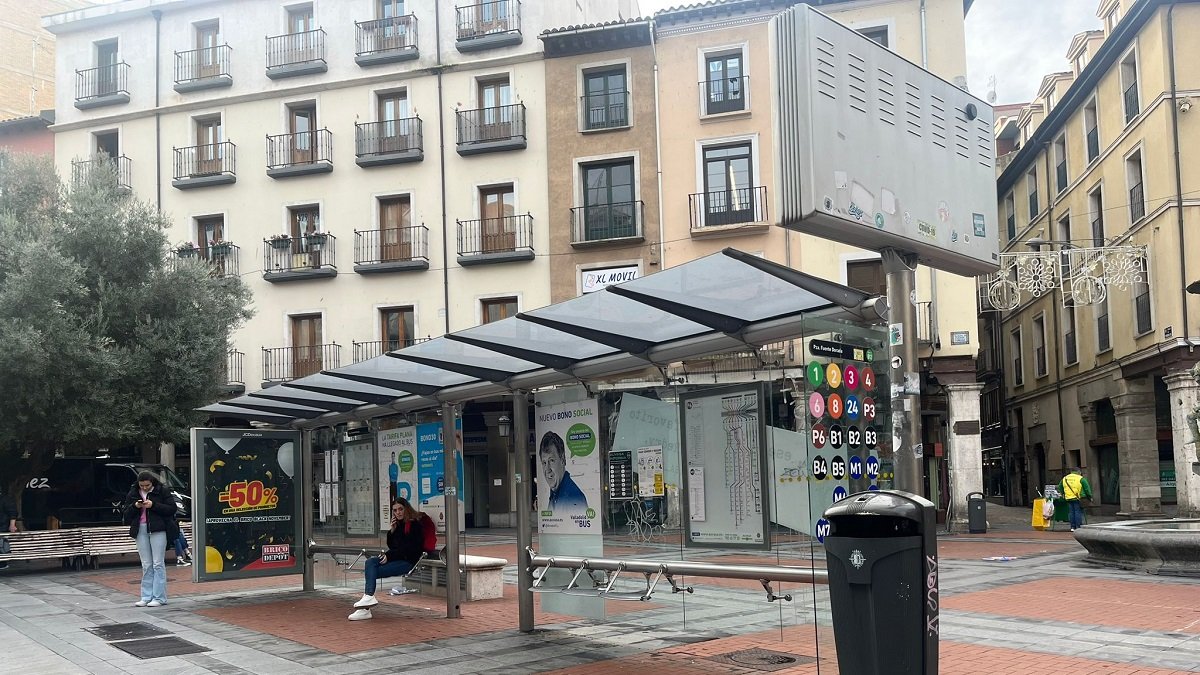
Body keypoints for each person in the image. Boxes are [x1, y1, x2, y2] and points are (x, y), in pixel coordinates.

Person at [349, 497, 436, 620]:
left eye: (400, 509)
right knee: (370, 562)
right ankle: (367, 600)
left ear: (406, 509)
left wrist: (389, 556)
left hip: (408, 562)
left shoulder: (415, 525)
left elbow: (409, 549)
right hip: (397, 558)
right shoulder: (399, 525)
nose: (398, 512)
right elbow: (393, 546)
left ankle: (365, 608)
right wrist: (392, 530)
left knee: (372, 572)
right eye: (395, 510)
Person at [123, 471, 177, 607]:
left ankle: (159, 597)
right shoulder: (133, 492)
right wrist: (135, 506)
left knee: (158, 563)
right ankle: (146, 596)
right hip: (140, 528)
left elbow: (172, 509)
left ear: (152, 482)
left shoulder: (162, 491)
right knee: (146, 564)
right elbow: (126, 515)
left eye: (147, 485)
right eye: (142, 485)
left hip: (158, 528)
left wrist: (153, 505)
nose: (145, 488)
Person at [539, 431, 587, 512]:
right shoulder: (555, 492)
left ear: (563, 460)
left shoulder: (573, 498)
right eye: (544, 463)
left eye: (551, 460)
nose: (547, 469)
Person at [1057, 467, 1092, 532]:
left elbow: (1059, 487)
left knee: (1071, 512)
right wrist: (1090, 496)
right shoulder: (1081, 478)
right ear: (1079, 472)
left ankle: (1072, 526)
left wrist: (1063, 494)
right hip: (1078, 498)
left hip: (1068, 498)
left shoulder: (1065, 478)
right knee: (1077, 512)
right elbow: (1087, 489)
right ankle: (1078, 526)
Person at [0, 487, 17, 570]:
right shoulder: (6, 500)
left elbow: (13, 513)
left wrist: (12, 525)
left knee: (2, 545)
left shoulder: (5, 500)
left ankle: (2, 563)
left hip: (2, 526)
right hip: (2, 525)